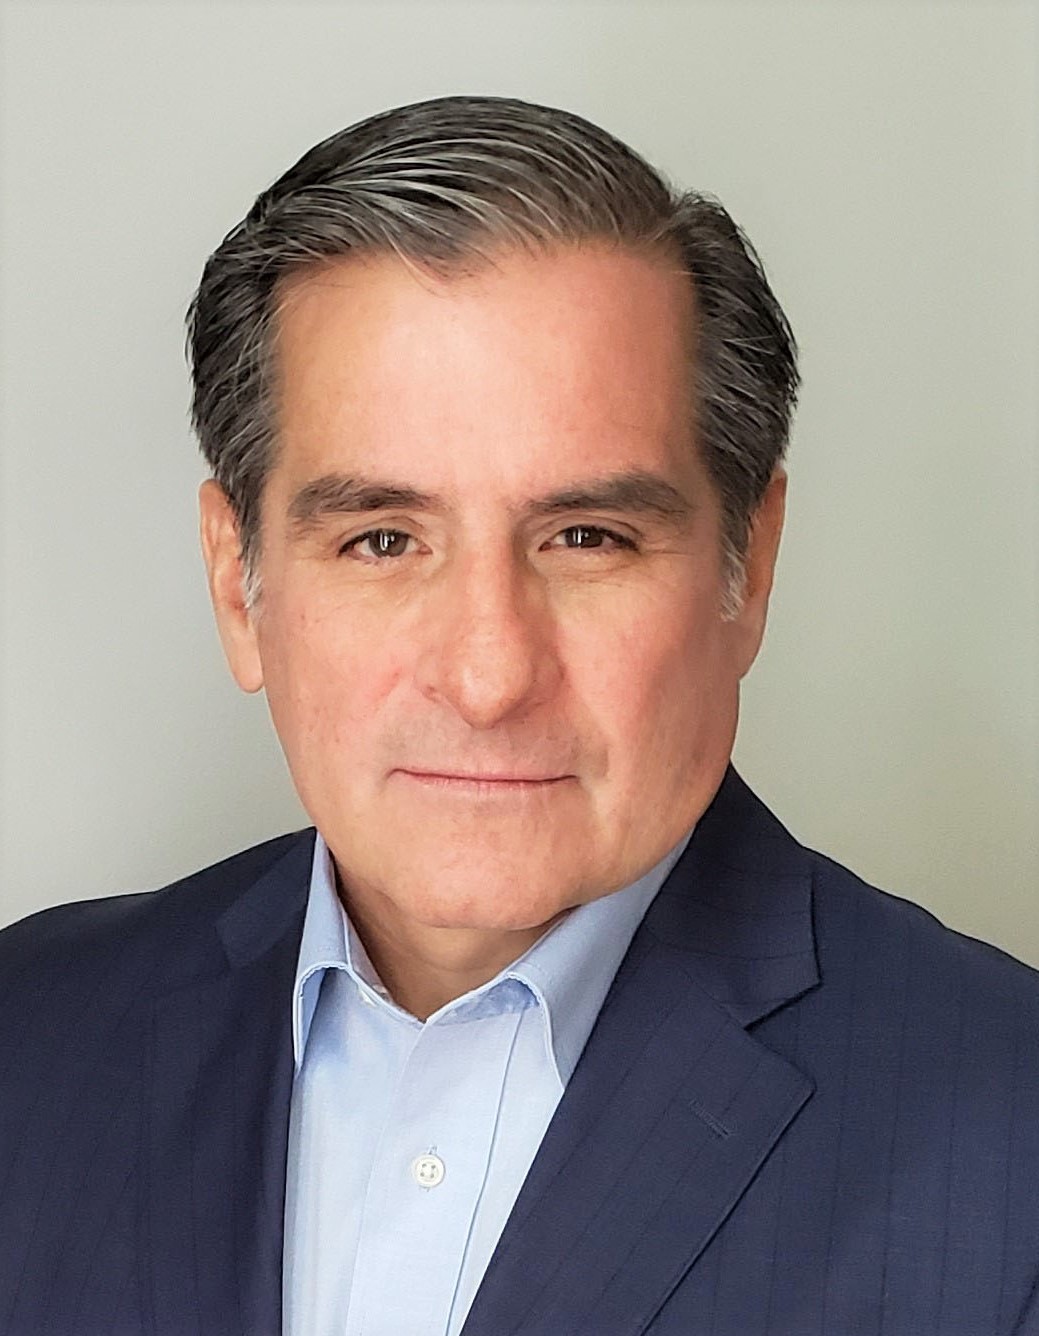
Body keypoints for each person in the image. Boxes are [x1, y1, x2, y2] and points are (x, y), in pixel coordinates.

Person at [1, 95, 1037, 1336]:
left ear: (748, 569)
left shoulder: (1009, 1138)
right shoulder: (28, 1038)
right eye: (382, 539)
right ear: (239, 585)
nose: (489, 677)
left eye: (587, 537)